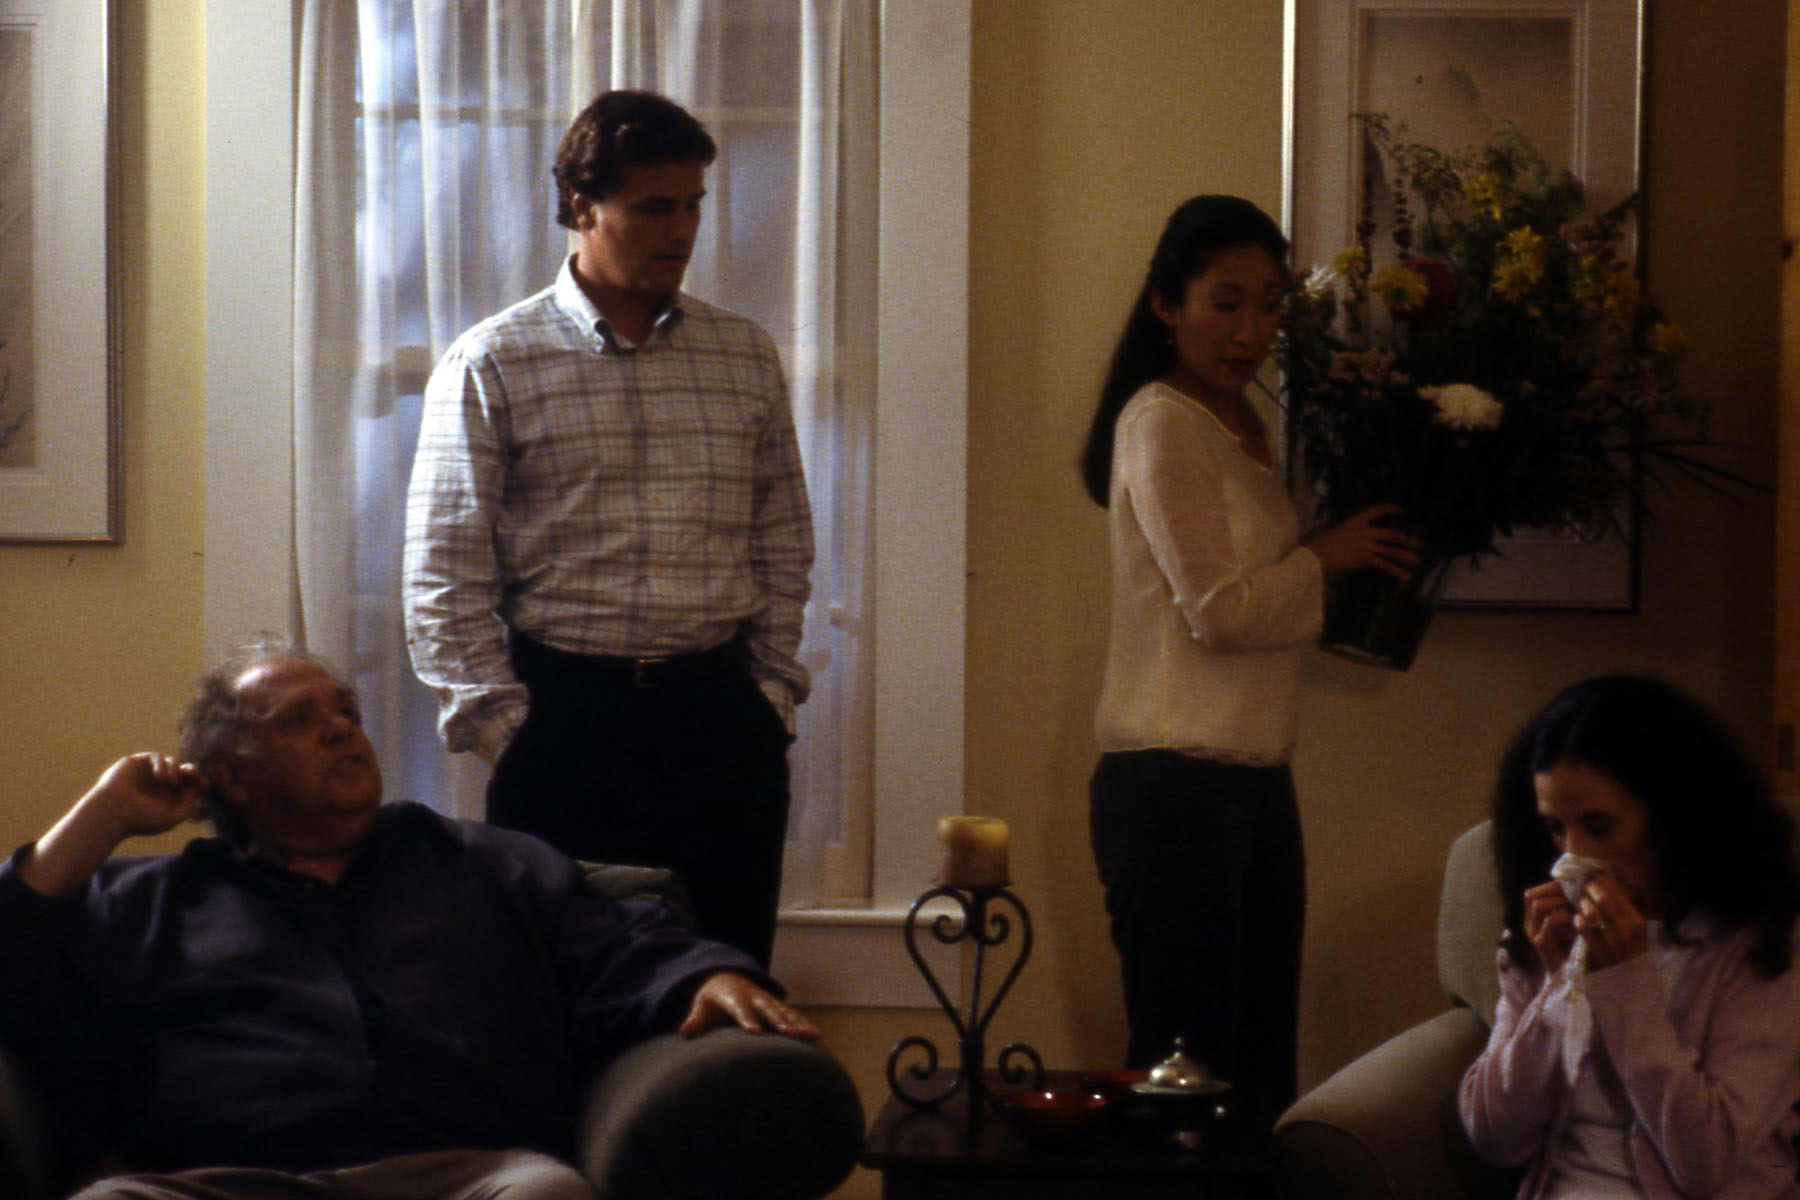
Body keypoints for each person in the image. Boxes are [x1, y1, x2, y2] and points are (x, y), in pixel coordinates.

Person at [0, 641, 819, 1200]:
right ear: (232, 778)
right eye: (298, 720)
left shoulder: (484, 863)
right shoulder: (150, 901)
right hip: (216, 1179)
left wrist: (707, 974)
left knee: (546, 1194)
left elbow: (621, 947)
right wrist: (102, 815)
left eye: (344, 711)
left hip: (462, 1175)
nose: (340, 728)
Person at [403, 89, 813, 968]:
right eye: (654, 208)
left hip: (719, 717)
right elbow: (443, 572)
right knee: (566, 993)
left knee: (729, 984)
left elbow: (783, 539)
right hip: (565, 718)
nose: (682, 231)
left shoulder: (743, 354)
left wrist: (767, 700)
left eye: (694, 205)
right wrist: (508, 734)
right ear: (582, 206)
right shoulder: (493, 360)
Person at [1079, 194, 1418, 1131]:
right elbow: (1219, 612)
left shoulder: (1240, 426)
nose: (1250, 331)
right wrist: (1324, 557)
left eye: (1269, 305)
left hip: (1255, 776)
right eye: (1225, 303)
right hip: (1172, 779)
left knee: (1260, 1071)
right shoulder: (1161, 421)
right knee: (1188, 1082)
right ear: (1167, 304)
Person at [1460, 674, 1800, 1199]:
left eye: (1598, 826)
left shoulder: (1762, 942)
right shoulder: (1543, 934)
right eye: (1555, 828)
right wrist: (1558, 989)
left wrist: (1626, 980)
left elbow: (1706, 1162)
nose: (1571, 857)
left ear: (1671, 817)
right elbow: (1495, 1139)